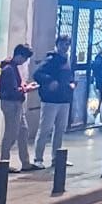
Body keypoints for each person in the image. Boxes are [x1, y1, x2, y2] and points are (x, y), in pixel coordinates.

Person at [34, 44, 75, 172]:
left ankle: (56, 157)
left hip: (64, 99)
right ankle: (38, 158)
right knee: (45, 129)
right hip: (51, 99)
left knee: (60, 130)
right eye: (63, 45)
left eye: (67, 45)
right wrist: (50, 81)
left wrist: (71, 85)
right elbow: (37, 74)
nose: (66, 48)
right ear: (58, 45)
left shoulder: (68, 59)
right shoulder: (51, 59)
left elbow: (69, 76)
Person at [0, 44, 35, 172]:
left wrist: (23, 87)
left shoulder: (13, 67)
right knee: (11, 134)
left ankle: (25, 162)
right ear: (19, 55)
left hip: (16, 103)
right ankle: (4, 162)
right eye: (25, 58)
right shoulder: (9, 69)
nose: (25, 61)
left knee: (23, 131)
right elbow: (11, 91)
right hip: (11, 103)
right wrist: (26, 89)